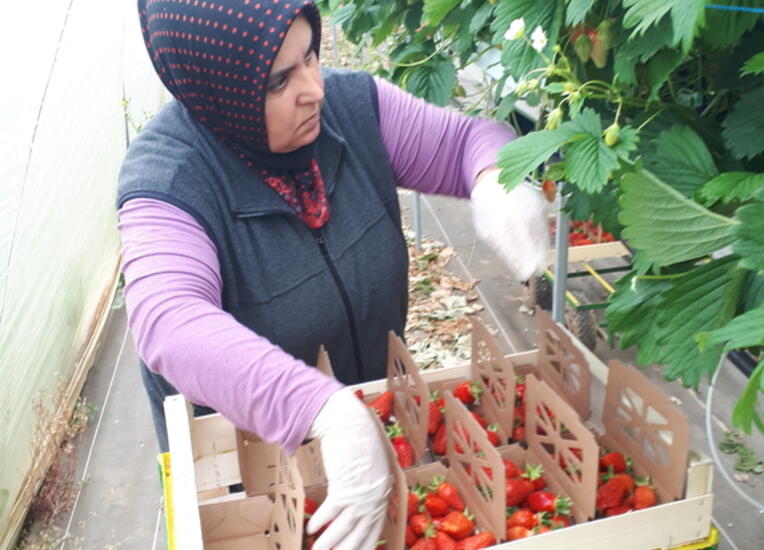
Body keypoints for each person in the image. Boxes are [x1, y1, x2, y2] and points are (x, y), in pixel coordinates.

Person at [119, 0, 549, 548]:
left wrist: (494, 177)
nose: (313, 89)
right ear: (218, 89)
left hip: (363, 430)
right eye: (279, 81)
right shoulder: (170, 179)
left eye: (311, 56)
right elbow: (169, 323)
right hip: (240, 464)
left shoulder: (352, 108)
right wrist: (320, 407)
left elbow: (467, 141)